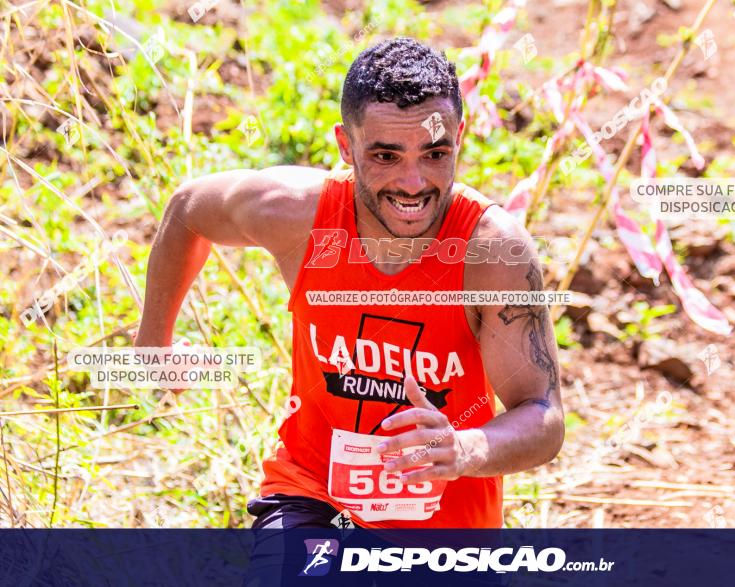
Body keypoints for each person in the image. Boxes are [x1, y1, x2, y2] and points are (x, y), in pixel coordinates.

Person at [135, 37, 564, 529]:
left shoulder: (491, 252)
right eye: (385, 156)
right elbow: (187, 211)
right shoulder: (294, 214)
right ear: (346, 146)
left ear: (460, 136)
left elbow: (543, 415)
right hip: (311, 494)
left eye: (435, 153)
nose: (412, 183)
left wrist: (463, 449)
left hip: (445, 527)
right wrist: (154, 343)